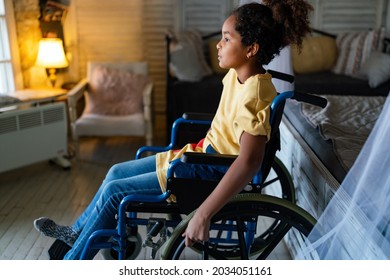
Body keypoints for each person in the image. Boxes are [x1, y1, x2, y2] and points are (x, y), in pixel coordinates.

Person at [34, 0, 313, 259]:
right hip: (200, 156)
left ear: (251, 49)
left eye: (227, 39)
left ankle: (71, 261)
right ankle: (77, 233)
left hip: (207, 171)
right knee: (115, 172)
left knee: (115, 194)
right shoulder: (237, 76)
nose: (219, 44)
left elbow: (249, 162)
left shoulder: (256, 94)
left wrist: (203, 214)